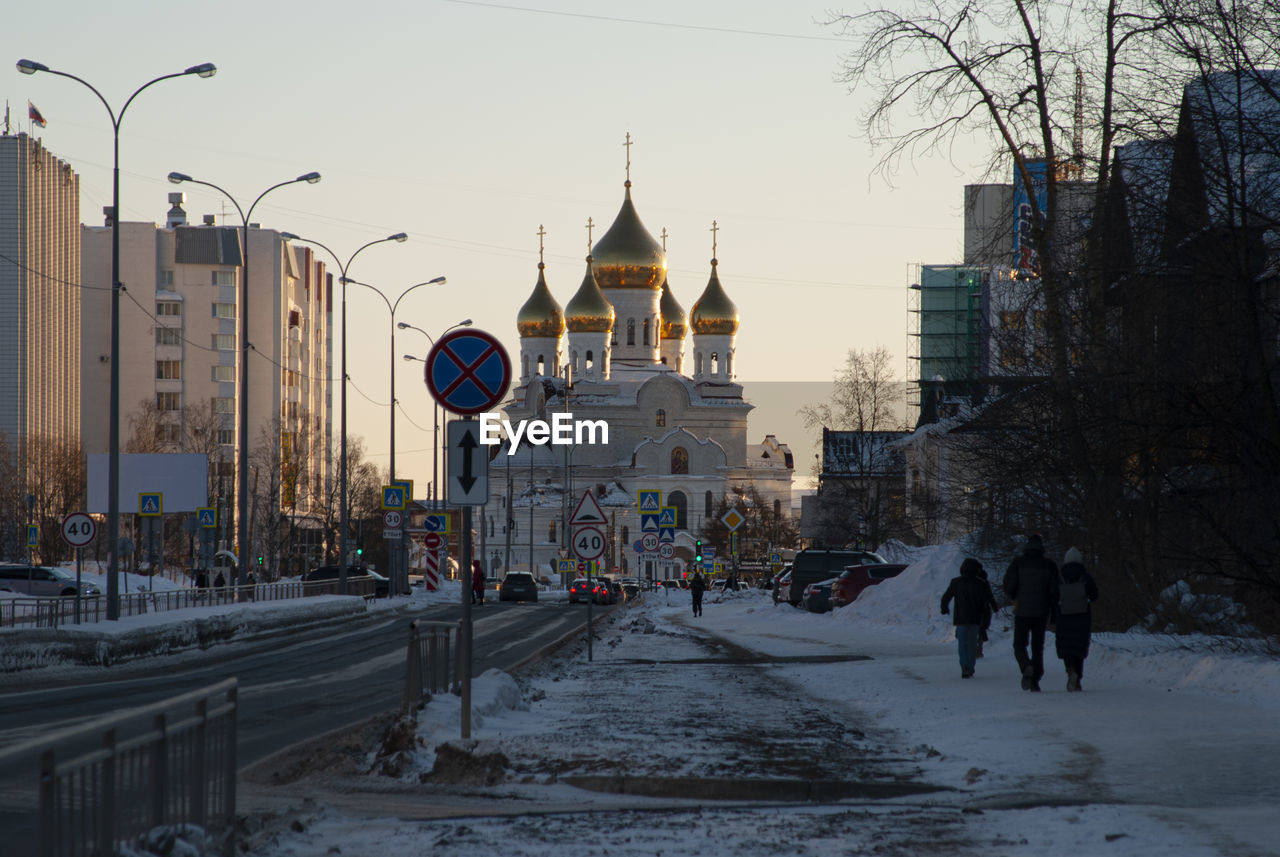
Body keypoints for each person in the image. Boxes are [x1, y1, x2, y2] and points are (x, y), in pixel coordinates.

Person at [1002, 533, 1059, 692]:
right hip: (1041, 611)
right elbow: (1055, 590)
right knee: (1037, 646)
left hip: (1021, 610)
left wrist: (1015, 596)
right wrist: (1052, 604)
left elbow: (1009, 585)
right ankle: (1035, 679)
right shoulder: (1049, 565)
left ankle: (1026, 666)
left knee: (1019, 644)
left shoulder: (1018, 563)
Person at [940, 558, 999, 678]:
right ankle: (970, 666)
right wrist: (995, 608)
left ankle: (964, 665)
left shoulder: (956, 582)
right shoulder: (981, 583)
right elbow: (989, 598)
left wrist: (944, 608)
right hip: (975, 618)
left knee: (962, 643)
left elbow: (946, 597)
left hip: (961, 618)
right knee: (972, 643)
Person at [1054, 547, 1100, 692]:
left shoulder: (1059, 576)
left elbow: (1053, 595)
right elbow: (1094, 595)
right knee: (1079, 646)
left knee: (1066, 645)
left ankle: (1070, 670)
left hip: (1064, 615)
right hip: (1082, 616)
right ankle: (1078, 677)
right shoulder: (1085, 576)